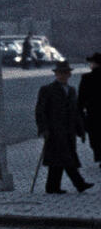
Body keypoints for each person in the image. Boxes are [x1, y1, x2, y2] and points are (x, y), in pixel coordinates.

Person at [34, 60, 92, 194]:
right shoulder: (47, 90)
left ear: (69, 75)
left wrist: (81, 130)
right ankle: (80, 184)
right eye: (60, 73)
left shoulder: (71, 91)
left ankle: (52, 187)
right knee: (66, 158)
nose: (63, 76)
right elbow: (40, 111)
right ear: (56, 74)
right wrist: (43, 129)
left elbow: (76, 112)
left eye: (66, 73)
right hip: (54, 131)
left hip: (68, 131)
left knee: (58, 161)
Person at [80, 53, 101, 168]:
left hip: (93, 114)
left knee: (96, 138)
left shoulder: (87, 78)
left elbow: (81, 98)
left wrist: (80, 113)